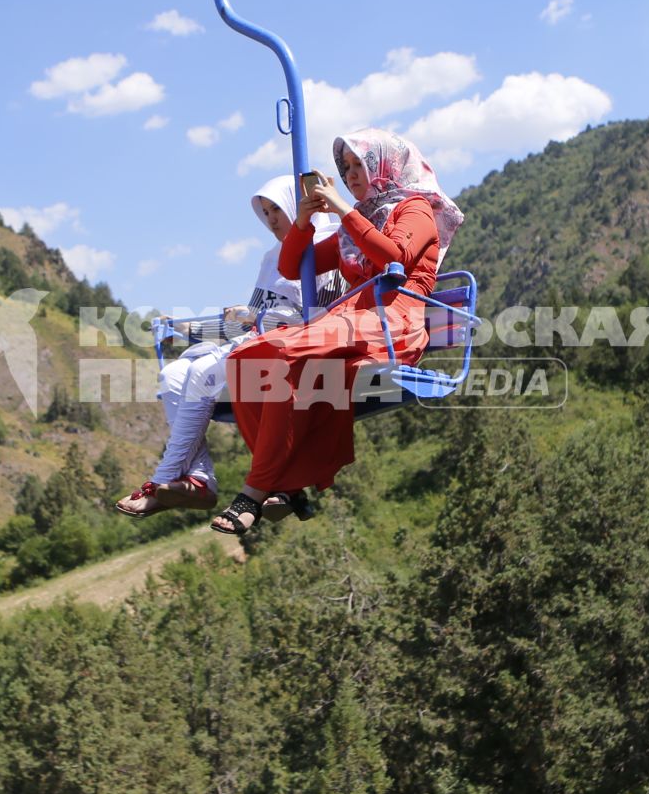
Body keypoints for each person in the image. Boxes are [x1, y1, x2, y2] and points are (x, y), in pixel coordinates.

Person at [212, 128, 463, 534]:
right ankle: (287, 482)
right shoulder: (358, 221)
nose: (349, 175)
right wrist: (305, 219)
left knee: (284, 357)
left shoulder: (414, 209)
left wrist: (343, 209)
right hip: (350, 321)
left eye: (357, 165)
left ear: (384, 163)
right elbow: (294, 266)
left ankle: (255, 491)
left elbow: (393, 258)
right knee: (246, 357)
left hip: (391, 321)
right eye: (344, 169)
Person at [114, 174, 338, 517]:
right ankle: (199, 479)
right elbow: (248, 320)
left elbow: (316, 319)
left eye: (277, 208)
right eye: (265, 212)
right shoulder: (272, 257)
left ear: (298, 205)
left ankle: (162, 479)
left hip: (287, 350)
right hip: (253, 339)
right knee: (173, 374)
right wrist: (191, 330)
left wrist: (252, 317)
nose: (271, 220)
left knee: (204, 372)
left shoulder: (321, 250)